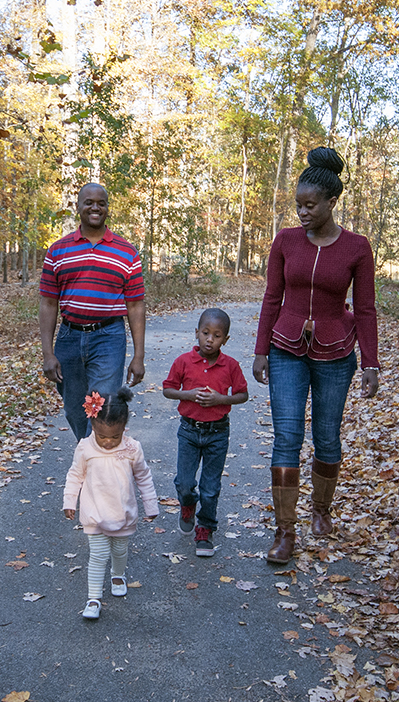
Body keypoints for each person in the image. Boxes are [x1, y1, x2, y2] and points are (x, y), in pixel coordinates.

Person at [252, 147, 380, 563]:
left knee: (327, 436)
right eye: (298, 206)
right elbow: (272, 296)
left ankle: (321, 510)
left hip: (336, 353)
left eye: (310, 205)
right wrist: (260, 352)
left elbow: (364, 308)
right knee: (287, 436)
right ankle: (285, 531)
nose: (302, 213)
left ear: (331, 203)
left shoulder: (357, 248)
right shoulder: (286, 241)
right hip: (286, 348)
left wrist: (371, 362)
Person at [39, 182, 146, 440]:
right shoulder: (57, 251)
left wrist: (139, 356)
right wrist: (47, 354)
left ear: (108, 208)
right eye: (89, 202)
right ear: (78, 207)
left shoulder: (127, 252)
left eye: (101, 203)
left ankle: (92, 469)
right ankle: (88, 456)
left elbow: (136, 305)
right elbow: (48, 303)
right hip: (69, 339)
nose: (95, 207)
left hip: (108, 337)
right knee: (75, 410)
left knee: (101, 408)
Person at [63, 387, 158, 619]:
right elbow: (75, 475)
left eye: (114, 437)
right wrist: (70, 501)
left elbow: (143, 477)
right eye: (101, 436)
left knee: (119, 549)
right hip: (93, 513)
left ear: (124, 428)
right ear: (93, 426)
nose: (107, 442)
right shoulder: (85, 448)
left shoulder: (132, 449)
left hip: (122, 512)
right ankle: (93, 599)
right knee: (98, 554)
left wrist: (151, 505)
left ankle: (118, 574)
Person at [162, 309, 249, 557]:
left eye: (217, 335)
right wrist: (188, 395)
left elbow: (243, 394)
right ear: (197, 333)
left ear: (226, 339)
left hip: (217, 433)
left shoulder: (230, 365)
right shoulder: (183, 362)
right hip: (189, 430)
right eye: (205, 333)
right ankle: (187, 503)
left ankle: (205, 528)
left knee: (210, 487)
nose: (210, 339)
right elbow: (168, 389)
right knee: (185, 482)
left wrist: (222, 399)